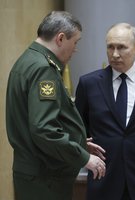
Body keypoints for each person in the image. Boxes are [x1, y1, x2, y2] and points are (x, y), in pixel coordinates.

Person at [6, 11, 106, 200]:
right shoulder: (44, 69)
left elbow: (36, 122)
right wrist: (83, 157)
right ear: (60, 38)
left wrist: (77, 142)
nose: (75, 49)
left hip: (35, 173)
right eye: (75, 42)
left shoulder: (28, 60)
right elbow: (44, 130)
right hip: (45, 177)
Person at [75, 23, 135, 200]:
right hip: (103, 177)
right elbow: (78, 129)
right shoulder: (89, 84)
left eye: (121, 47)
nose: (115, 54)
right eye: (110, 47)